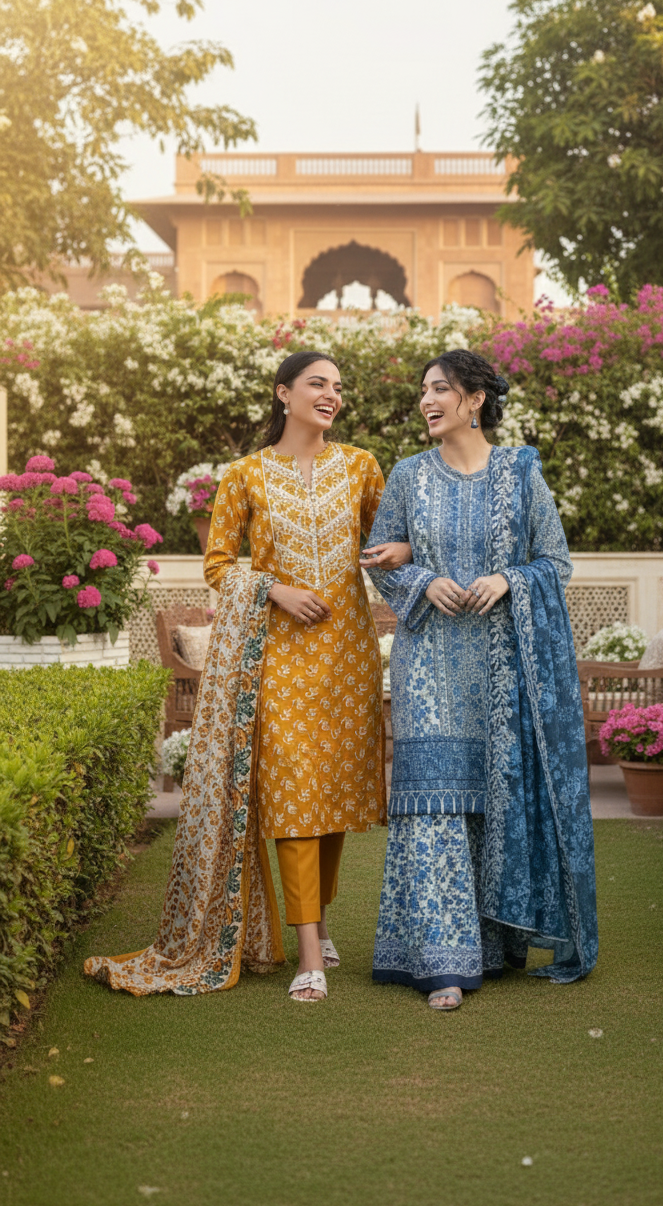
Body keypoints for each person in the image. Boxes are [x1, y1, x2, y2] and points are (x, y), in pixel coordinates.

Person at [84, 350, 409, 1004]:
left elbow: (386, 542)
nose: (331, 395)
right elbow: (218, 564)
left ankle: (316, 917)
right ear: (283, 392)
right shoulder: (246, 476)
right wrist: (276, 592)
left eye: (338, 387)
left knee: (336, 799)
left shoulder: (362, 468)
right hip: (277, 658)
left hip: (346, 657)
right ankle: (309, 951)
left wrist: (401, 550)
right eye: (318, 383)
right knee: (293, 794)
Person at [364, 349, 598, 1011]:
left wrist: (508, 579)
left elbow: (555, 560)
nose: (426, 401)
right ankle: (442, 961)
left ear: (474, 400)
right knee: (435, 799)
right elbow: (378, 559)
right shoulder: (407, 476)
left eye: (439, 389)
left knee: (495, 800)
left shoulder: (523, 473)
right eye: (422, 391)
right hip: (429, 661)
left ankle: (491, 947)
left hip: (504, 665)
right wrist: (423, 579)